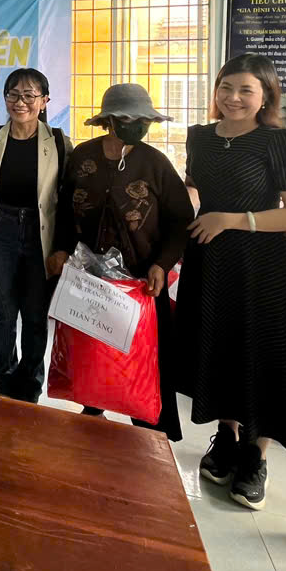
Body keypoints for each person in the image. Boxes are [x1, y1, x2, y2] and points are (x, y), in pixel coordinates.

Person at [174, 53, 286, 511]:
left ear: (265, 96)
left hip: (262, 265)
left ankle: (256, 456)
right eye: (226, 87)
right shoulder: (199, 136)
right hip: (210, 260)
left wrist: (231, 219)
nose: (233, 98)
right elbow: (196, 188)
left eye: (245, 90)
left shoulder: (279, 140)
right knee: (220, 349)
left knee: (260, 354)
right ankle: (226, 437)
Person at [50, 83, 192, 440]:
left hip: (142, 281)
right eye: (130, 119)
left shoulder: (155, 163)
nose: (139, 126)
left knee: (145, 365)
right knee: (92, 356)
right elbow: (64, 211)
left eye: (145, 120)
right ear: (109, 120)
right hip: (89, 279)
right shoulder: (83, 157)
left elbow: (180, 219)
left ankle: (152, 437)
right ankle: (92, 411)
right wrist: (60, 249)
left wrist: (163, 263)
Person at [0, 67, 71, 402]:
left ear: (44, 101)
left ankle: (30, 387)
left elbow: (68, 200)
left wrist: (62, 248)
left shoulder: (58, 141)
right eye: (13, 94)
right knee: (2, 313)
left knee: (35, 315)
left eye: (30, 95)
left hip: (40, 233)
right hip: (1, 230)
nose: (21, 102)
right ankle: (2, 382)